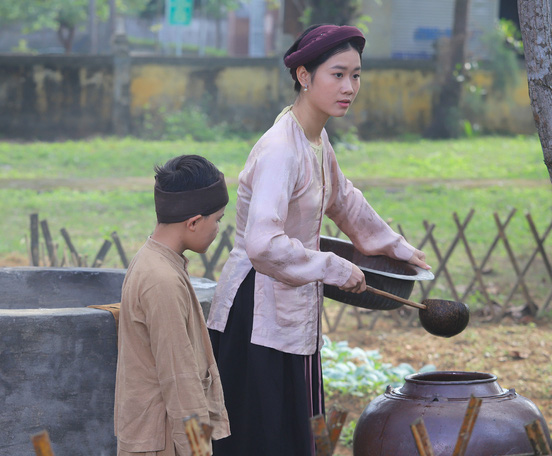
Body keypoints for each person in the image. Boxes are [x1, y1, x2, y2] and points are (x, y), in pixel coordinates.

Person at [206, 24, 431, 455]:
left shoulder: (315, 138)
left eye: (357, 75)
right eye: (338, 74)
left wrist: (392, 244)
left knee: (294, 432)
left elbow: (343, 198)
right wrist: (331, 266)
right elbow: (263, 243)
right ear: (304, 77)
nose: (350, 87)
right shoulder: (280, 150)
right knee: (262, 436)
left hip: (292, 302)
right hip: (257, 309)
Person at [114, 154, 231, 456]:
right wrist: (199, 451)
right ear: (193, 222)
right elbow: (180, 381)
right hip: (164, 442)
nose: (218, 228)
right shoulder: (162, 281)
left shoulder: (154, 260)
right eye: (216, 220)